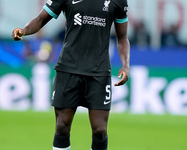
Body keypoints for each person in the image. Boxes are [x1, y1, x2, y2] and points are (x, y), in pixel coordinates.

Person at [12, 0, 130, 149]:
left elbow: (122, 38)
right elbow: (40, 19)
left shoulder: (118, 1)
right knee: (62, 126)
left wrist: (125, 65)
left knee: (100, 130)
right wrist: (24, 30)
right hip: (68, 68)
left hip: (99, 71)